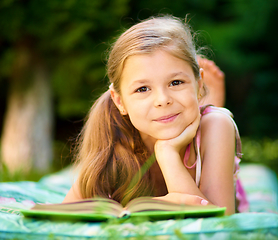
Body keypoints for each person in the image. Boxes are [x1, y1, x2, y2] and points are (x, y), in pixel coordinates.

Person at [63, 15, 248, 215]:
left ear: (199, 84)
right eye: (143, 89)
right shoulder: (112, 137)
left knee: (213, 120)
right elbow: (63, 212)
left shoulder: (217, 126)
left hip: (208, 140)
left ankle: (205, 110)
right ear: (119, 101)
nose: (162, 99)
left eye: (176, 82)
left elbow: (219, 221)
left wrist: (167, 153)